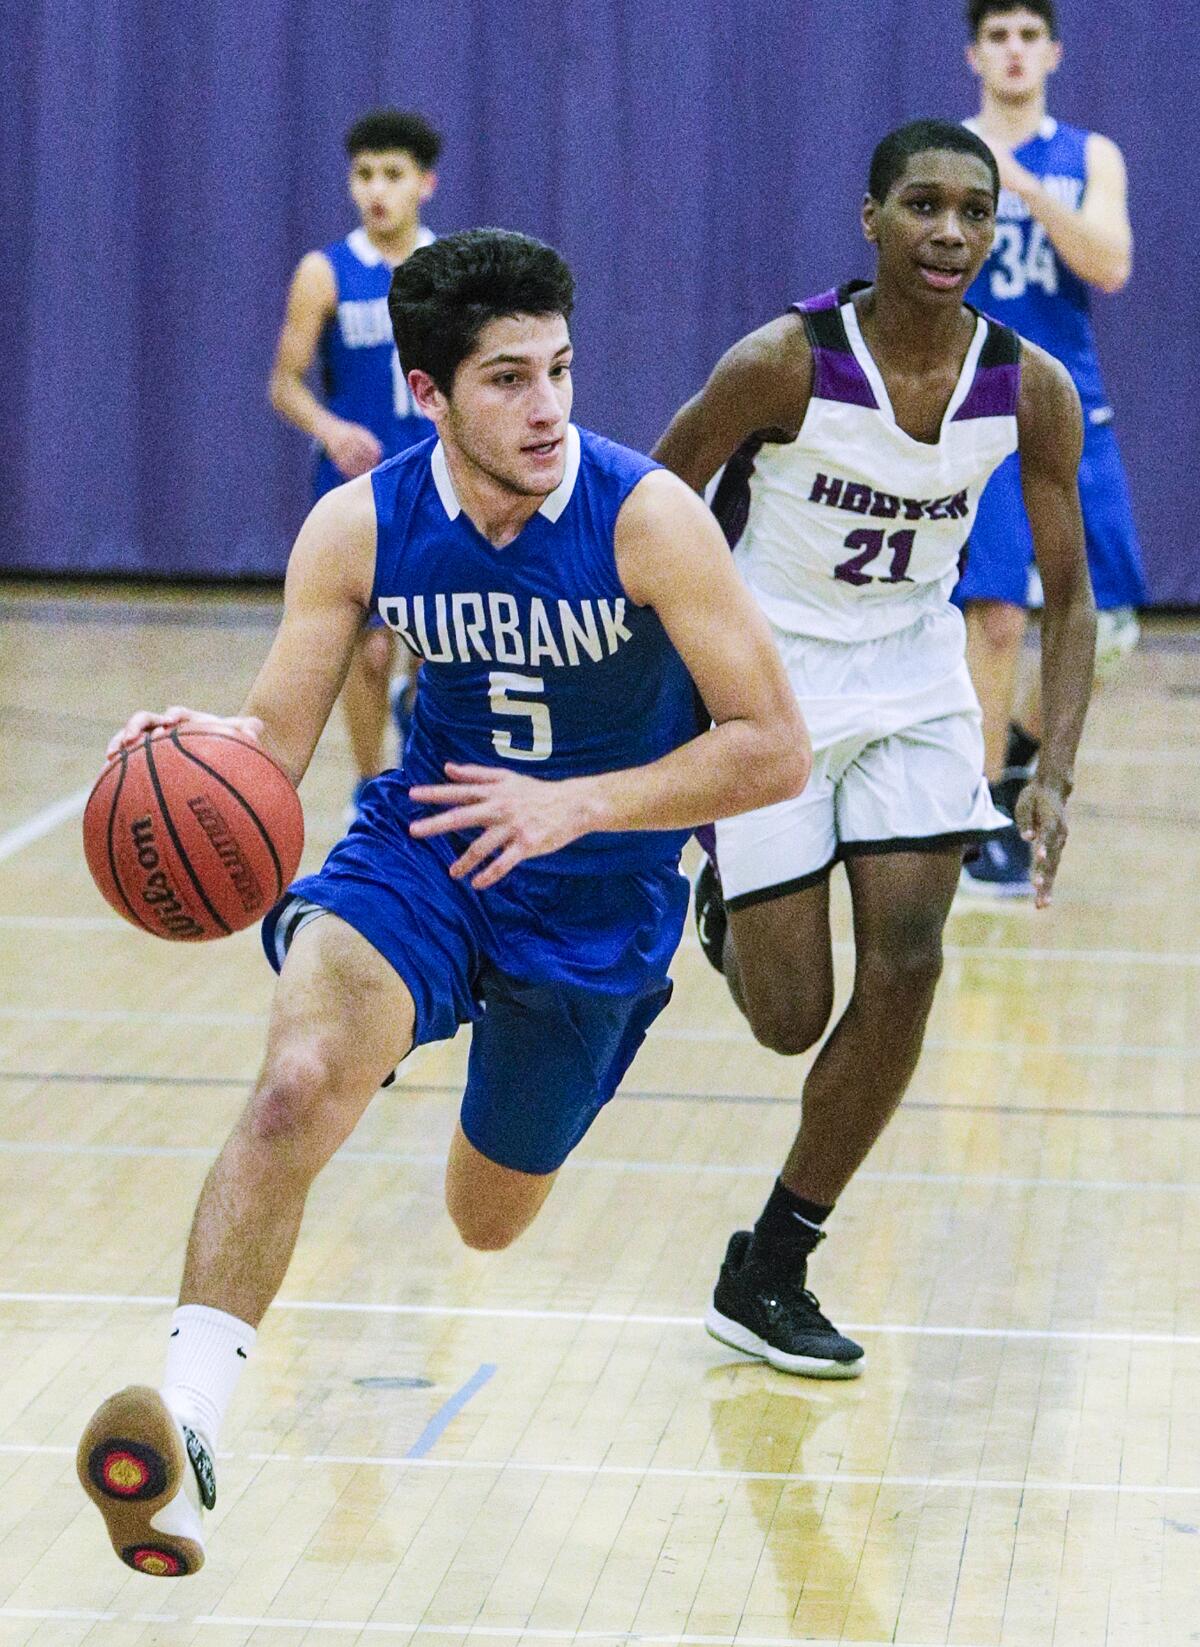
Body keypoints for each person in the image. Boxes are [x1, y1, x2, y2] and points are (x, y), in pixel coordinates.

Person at [77, 229, 810, 1577]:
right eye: (507, 380)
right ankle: (183, 1427)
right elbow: (274, 742)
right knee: (297, 1080)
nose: (547, 408)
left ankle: (534, 1037)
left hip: (599, 897)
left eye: (562, 371)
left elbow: (775, 744)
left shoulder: (648, 519)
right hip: (425, 852)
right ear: (427, 393)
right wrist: (202, 748)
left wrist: (581, 802)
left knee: (488, 1216)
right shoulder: (359, 526)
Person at [653, 119, 1095, 1378]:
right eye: (921, 206)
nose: (948, 231)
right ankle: (728, 911)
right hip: (771, 683)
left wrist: (1049, 767)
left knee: (908, 961)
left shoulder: (1030, 386)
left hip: (911, 679)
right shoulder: (781, 362)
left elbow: (1069, 595)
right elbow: (652, 505)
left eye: (972, 211)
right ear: (872, 221)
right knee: (791, 1020)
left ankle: (774, 1261)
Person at [955, 0, 1147, 894]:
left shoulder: (1088, 155)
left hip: (1073, 409)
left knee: (1106, 627)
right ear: (974, 54)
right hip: (978, 408)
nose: (1015, 50)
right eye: (999, 35)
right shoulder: (944, 151)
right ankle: (983, 811)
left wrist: (1023, 186)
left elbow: (1109, 263)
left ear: (1054, 52)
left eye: (1029, 35)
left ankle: (1026, 749)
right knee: (993, 616)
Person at [268, 108, 442, 817]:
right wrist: (332, 426)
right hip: (357, 486)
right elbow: (283, 382)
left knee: (436, 655)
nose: (377, 189)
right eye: (365, 174)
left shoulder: (446, 268)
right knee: (367, 652)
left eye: (393, 175)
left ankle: (423, 755)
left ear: (424, 184)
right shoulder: (325, 271)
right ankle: (372, 790)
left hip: (435, 482)